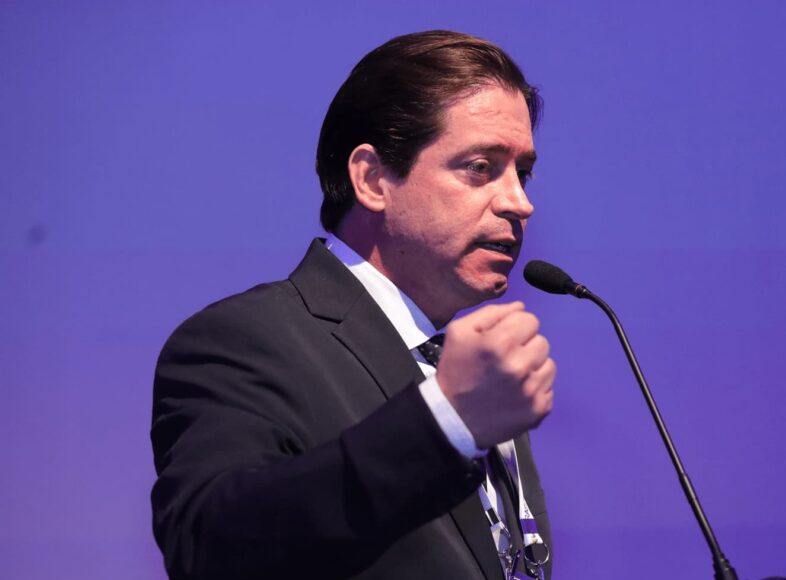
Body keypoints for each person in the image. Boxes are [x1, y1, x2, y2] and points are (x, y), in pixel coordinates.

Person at [150, 30, 555, 580]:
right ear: (372, 179)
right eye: (481, 167)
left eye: (522, 173)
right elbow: (211, 548)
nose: (519, 202)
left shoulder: (469, 369)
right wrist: (445, 423)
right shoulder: (244, 341)